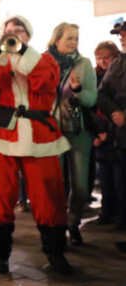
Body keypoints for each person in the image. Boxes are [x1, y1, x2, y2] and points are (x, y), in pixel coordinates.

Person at [0, 15, 72, 275]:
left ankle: (55, 252)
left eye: (19, 31)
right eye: (10, 31)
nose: (15, 34)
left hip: (38, 134)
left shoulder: (46, 60)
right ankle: (0, 254)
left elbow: (46, 83)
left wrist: (24, 55)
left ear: (28, 35)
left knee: (48, 196)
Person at [45, 22, 97, 246]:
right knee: (53, 183)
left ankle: (73, 222)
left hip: (78, 129)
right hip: (50, 130)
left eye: (76, 38)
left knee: (81, 185)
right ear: (56, 40)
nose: (74, 43)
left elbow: (91, 99)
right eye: (69, 38)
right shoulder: (43, 61)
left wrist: (77, 90)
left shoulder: (84, 64)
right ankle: (55, 228)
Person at [97, 19, 126, 231]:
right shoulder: (118, 63)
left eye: (124, 33)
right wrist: (115, 112)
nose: (122, 37)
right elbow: (102, 92)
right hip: (120, 133)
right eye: (121, 34)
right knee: (121, 181)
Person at [92, 40, 120, 225]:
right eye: (99, 58)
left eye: (106, 58)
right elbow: (92, 108)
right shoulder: (93, 76)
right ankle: (106, 211)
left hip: (117, 131)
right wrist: (98, 132)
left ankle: (118, 212)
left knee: (119, 177)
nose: (103, 61)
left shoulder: (118, 75)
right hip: (102, 133)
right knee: (105, 177)